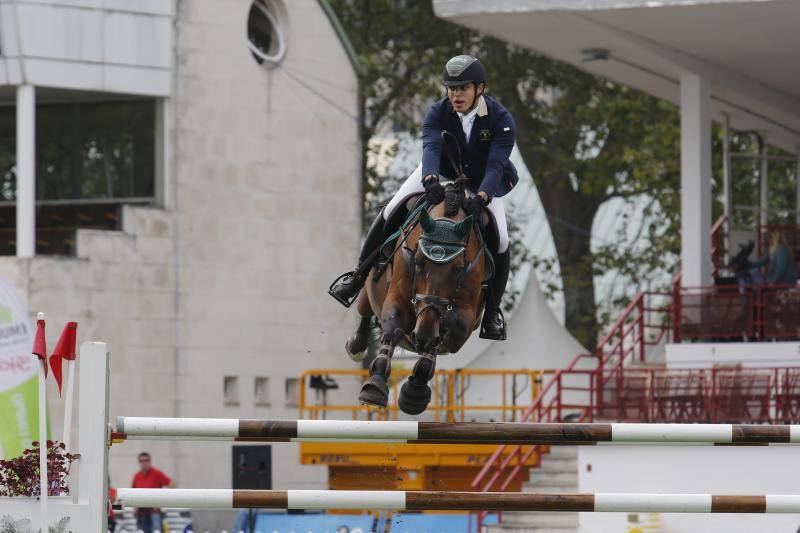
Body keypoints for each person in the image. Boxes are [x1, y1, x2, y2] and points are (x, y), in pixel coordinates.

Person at [329, 54, 518, 340]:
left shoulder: (501, 119)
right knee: (391, 211)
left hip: (483, 181)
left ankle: (492, 311)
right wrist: (429, 179)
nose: (456, 95)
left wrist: (481, 197)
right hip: (440, 171)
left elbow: (496, 164)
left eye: (463, 88)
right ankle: (357, 277)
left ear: (480, 88)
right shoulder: (437, 112)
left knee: (501, 239)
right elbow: (431, 147)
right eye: (451, 89)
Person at [131, 451, 174, 533]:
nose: (144, 463)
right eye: (141, 461)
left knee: (156, 531)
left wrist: (162, 501)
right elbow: (133, 493)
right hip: (141, 513)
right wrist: (135, 507)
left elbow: (172, 484)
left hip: (154, 512)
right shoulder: (137, 476)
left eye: (146, 460)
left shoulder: (157, 473)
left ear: (150, 461)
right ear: (139, 462)